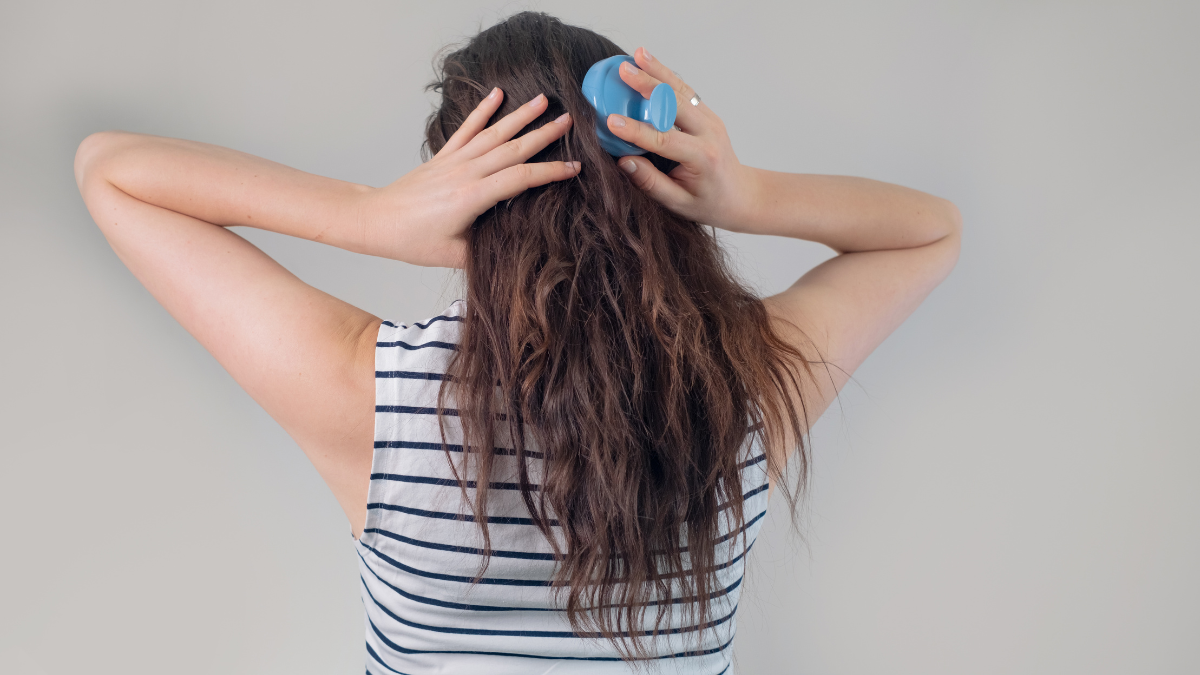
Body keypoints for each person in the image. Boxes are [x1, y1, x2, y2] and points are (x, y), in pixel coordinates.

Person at [73, 10, 960, 675]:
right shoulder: (745, 389)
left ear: (458, 198)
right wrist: (742, 192)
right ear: (656, 186)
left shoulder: (374, 396)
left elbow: (110, 172)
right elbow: (931, 231)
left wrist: (370, 214)